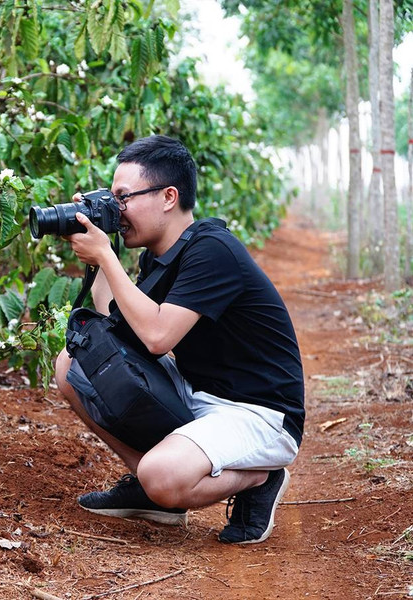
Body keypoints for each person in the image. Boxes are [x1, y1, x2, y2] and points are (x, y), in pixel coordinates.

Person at [55, 135, 304, 544]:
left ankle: (260, 478)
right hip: (198, 393)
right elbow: (114, 330)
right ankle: (153, 493)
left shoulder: (212, 250)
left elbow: (157, 337)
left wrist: (107, 257)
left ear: (169, 197)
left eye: (123, 198)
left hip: (258, 413)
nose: (118, 209)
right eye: (112, 199)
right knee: (76, 362)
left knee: (162, 474)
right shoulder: (158, 256)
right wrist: (100, 245)